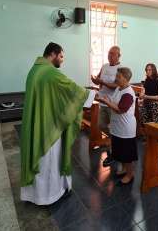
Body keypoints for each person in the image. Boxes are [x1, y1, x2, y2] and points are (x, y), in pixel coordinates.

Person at [20, 42, 95, 205]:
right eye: (61, 56)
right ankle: (49, 196)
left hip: (37, 123)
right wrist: (93, 95)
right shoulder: (50, 72)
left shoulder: (35, 70)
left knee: (40, 160)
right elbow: (72, 89)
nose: (62, 60)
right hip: (49, 126)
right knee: (49, 161)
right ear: (53, 54)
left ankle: (34, 195)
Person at [98, 67, 137, 185]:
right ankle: (124, 170)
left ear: (126, 78)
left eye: (119, 76)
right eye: (117, 75)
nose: (116, 78)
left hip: (126, 128)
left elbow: (121, 109)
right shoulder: (119, 88)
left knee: (127, 153)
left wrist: (106, 102)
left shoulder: (128, 93)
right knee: (120, 151)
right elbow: (114, 101)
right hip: (117, 126)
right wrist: (106, 98)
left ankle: (130, 174)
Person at [91, 46, 121, 167]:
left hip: (112, 103)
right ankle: (113, 141)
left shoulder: (120, 69)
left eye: (112, 54)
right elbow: (99, 80)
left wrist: (102, 82)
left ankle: (113, 152)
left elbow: (116, 85)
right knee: (101, 125)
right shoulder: (104, 66)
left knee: (113, 129)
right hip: (102, 101)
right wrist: (95, 80)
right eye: (109, 53)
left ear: (119, 56)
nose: (110, 56)